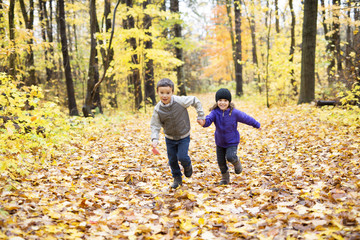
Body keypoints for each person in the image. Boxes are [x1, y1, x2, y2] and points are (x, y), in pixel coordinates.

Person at [150, 78, 205, 188]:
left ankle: (187, 165)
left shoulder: (180, 101)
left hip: (183, 135)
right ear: (157, 92)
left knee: (182, 157)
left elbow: (195, 100)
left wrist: (200, 115)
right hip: (169, 137)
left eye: (168, 93)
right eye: (162, 93)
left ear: (172, 92)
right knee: (172, 160)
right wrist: (155, 139)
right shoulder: (158, 109)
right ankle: (177, 178)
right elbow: (155, 125)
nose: (164, 96)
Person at [198, 88, 260, 185]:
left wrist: (256, 124)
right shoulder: (215, 112)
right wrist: (203, 122)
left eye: (225, 101)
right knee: (221, 162)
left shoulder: (234, 112)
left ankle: (236, 162)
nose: (222, 103)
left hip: (232, 141)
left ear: (229, 102)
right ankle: (225, 179)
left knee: (230, 157)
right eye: (220, 100)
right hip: (220, 142)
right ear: (217, 101)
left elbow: (246, 118)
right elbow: (208, 121)